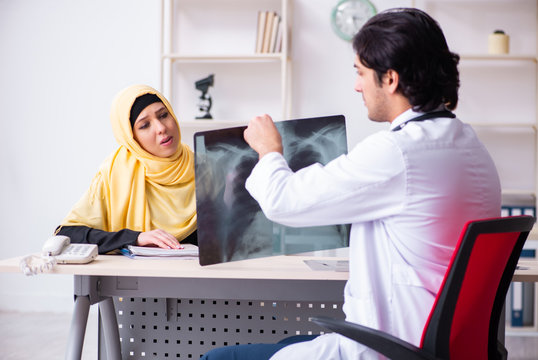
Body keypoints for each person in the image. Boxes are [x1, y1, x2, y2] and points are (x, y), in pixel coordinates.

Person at [201, 7, 501, 360]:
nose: (356, 85)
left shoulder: (398, 152)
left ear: (389, 79)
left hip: (390, 348)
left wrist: (269, 151)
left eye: (360, 72)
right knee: (286, 345)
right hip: (440, 345)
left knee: (218, 358)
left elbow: (285, 201)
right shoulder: (470, 145)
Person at [55, 84, 197, 254]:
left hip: (204, 277)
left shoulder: (206, 168)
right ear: (132, 138)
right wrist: (136, 238)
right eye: (145, 125)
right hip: (134, 278)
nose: (161, 128)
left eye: (164, 115)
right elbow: (67, 234)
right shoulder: (115, 173)